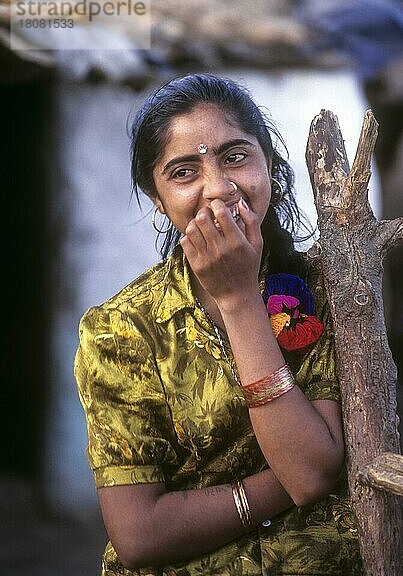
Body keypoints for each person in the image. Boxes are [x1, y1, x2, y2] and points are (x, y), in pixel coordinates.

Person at [74, 74, 363, 575]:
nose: (219, 188)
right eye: (184, 172)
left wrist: (240, 301)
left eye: (235, 157)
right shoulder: (119, 331)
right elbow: (139, 535)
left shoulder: (333, 293)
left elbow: (312, 471)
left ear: (268, 165)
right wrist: (289, 480)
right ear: (157, 200)